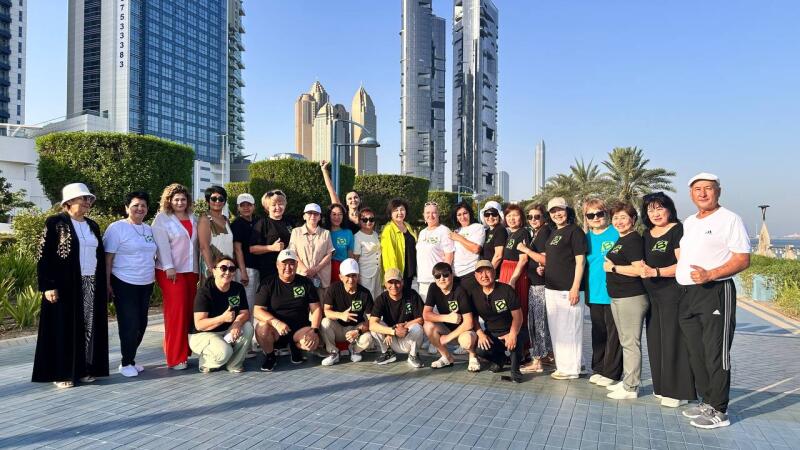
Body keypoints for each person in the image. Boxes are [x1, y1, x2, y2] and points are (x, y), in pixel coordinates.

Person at [676, 173, 750, 429]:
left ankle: (720, 410)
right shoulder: (690, 222)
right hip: (688, 294)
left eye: (708, 188)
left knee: (716, 352)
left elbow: (742, 259)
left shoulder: (730, 219)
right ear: (691, 194)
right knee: (696, 352)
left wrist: (711, 274)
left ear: (719, 191)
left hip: (716, 291)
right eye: (698, 189)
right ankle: (707, 401)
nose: (703, 193)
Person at [33, 183, 109, 388]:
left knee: (88, 327)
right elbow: (43, 256)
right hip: (64, 285)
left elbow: (99, 256)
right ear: (68, 203)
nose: (87, 203)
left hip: (90, 281)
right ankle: (62, 372)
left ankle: (84, 368)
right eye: (82, 199)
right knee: (64, 327)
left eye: (88, 199)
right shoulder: (55, 222)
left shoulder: (92, 225)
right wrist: (47, 285)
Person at [640, 192, 696, 408]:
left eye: (659, 208)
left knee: (674, 341)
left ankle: (680, 391)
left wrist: (656, 272)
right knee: (655, 340)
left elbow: (683, 263)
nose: (655, 213)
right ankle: (662, 386)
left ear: (669, 209)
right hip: (652, 297)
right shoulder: (646, 233)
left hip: (673, 294)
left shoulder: (677, 230)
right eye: (650, 209)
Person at [104, 191, 158, 378]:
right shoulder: (117, 228)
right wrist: (107, 283)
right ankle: (125, 362)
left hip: (146, 282)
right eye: (135, 205)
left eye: (143, 205)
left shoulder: (148, 229)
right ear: (127, 208)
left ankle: (131, 359)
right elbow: (108, 258)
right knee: (129, 324)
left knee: (142, 324)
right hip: (124, 282)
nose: (140, 209)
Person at [602, 201, 649, 400]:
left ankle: (631, 387)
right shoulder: (622, 239)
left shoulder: (632, 240)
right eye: (615, 218)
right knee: (625, 341)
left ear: (633, 219)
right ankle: (628, 379)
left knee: (630, 342)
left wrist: (613, 269)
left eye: (623, 217)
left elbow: (640, 270)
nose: (619, 221)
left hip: (631, 297)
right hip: (619, 296)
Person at [152, 183, 199, 370]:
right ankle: (174, 357)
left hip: (190, 271)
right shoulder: (162, 219)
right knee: (176, 313)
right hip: (170, 272)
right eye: (176, 199)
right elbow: (162, 245)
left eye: (183, 199)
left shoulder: (193, 218)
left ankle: (184, 352)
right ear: (169, 201)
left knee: (187, 312)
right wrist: (169, 267)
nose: (180, 202)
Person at [253, 249, 323, 372]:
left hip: (299, 328)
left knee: (313, 342)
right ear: (277, 265)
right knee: (261, 328)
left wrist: (314, 330)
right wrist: (275, 322)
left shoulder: (305, 282)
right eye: (284, 263)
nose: (288, 267)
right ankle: (270, 356)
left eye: (291, 263)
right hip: (276, 330)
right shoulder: (268, 283)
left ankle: (295, 347)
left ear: (296, 265)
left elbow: (316, 308)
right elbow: (257, 311)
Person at [542, 197, 587, 380]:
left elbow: (580, 261)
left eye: (560, 210)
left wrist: (575, 287)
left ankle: (571, 369)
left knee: (570, 329)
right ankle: (577, 364)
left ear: (567, 211)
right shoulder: (554, 232)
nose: (557, 214)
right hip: (552, 288)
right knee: (558, 330)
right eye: (553, 211)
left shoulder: (575, 232)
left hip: (568, 289)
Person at [189, 255, 254, 373]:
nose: (227, 272)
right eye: (223, 268)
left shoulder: (238, 288)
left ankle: (234, 364)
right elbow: (199, 325)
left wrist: (237, 324)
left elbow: (245, 313)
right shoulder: (205, 292)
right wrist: (223, 318)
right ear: (214, 271)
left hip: (225, 331)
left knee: (248, 327)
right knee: (225, 352)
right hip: (203, 334)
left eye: (232, 269)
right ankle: (206, 362)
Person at [582, 198, 622, 387]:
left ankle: (612, 372)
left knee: (614, 334)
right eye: (591, 215)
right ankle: (598, 368)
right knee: (598, 332)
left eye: (600, 213)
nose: (596, 218)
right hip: (594, 291)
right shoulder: (586, 238)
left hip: (615, 292)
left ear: (607, 214)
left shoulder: (617, 233)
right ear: (587, 219)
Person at [469, 260, 525, 383]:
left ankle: (515, 370)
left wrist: (512, 334)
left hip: (511, 329)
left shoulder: (506, 290)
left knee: (517, 341)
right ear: (475, 276)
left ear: (494, 273)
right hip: (492, 333)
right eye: (480, 272)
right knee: (480, 349)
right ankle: (500, 360)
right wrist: (480, 334)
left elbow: (518, 316)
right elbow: (473, 318)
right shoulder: (474, 294)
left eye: (487, 271)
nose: (484, 276)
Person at [515, 203, 553, 373]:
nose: (533, 220)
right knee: (539, 323)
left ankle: (538, 361)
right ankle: (545, 356)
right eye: (530, 217)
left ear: (544, 217)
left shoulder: (544, 232)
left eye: (537, 216)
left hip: (540, 287)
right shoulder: (537, 233)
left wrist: (524, 249)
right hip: (536, 284)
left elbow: (544, 259)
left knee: (538, 324)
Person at [422, 262, 479, 371]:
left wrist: (448, 338)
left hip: (464, 331)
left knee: (467, 340)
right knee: (428, 325)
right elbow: (426, 314)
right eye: (437, 276)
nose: (442, 279)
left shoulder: (460, 290)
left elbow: (469, 322)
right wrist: (446, 318)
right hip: (446, 329)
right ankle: (447, 357)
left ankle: (473, 356)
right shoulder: (433, 287)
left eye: (445, 275)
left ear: (452, 275)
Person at [320, 258, 374, 365]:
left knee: (368, 338)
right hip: (338, 329)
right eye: (347, 276)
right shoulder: (333, 288)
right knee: (325, 323)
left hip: (355, 329)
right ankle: (333, 353)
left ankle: (354, 350)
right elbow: (326, 311)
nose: (351, 279)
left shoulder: (365, 293)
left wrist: (358, 331)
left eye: (354, 275)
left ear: (358, 276)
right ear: (341, 277)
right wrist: (341, 315)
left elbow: (371, 319)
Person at [369, 268, 424, 368]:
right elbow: (372, 324)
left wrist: (403, 325)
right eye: (390, 282)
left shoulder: (412, 294)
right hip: (390, 339)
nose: (394, 286)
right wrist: (392, 331)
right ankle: (387, 353)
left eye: (397, 282)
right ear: (385, 284)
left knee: (418, 328)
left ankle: (413, 355)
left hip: (407, 337)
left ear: (402, 282)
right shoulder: (381, 298)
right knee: (376, 326)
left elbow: (421, 319)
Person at [498, 205, 530, 345]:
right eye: (509, 216)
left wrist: (513, 279)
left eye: (515, 215)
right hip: (506, 270)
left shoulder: (523, 233)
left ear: (521, 218)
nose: (511, 219)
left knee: (518, 308)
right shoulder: (511, 233)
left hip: (515, 273)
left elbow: (523, 259)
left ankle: (521, 349)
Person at [289, 203, 334, 296]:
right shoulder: (296, 232)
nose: (313, 216)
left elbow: (329, 254)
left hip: (320, 277)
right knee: (300, 305)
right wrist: (305, 270)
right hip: (300, 275)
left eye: (316, 214)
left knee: (320, 305)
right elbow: (293, 253)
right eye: (309, 213)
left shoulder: (326, 233)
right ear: (304, 216)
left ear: (320, 217)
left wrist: (315, 269)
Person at [250, 190, 292, 284]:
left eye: (280, 204)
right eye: (273, 205)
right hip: (269, 272)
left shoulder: (289, 222)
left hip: (288, 270)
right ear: (267, 207)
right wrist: (271, 248)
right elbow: (252, 249)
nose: (277, 207)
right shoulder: (261, 223)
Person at [416, 201, 455, 300]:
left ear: (438, 214)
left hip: (438, 279)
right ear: (423, 215)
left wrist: (443, 277)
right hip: (422, 279)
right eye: (427, 213)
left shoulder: (444, 231)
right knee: (426, 311)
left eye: (434, 212)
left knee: (438, 312)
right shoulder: (422, 233)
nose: (430, 215)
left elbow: (449, 256)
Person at [198, 185, 233, 283]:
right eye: (213, 199)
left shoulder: (226, 220)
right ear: (208, 201)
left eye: (221, 199)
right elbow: (204, 247)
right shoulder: (205, 219)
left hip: (228, 268)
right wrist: (212, 270)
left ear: (224, 201)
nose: (217, 201)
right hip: (213, 269)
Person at [380, 198, 417, 288]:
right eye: (396, 210)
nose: (400, 213)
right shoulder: (388, 229)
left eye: (402, 209)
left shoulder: (407, 226)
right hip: (399, 273)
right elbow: (389, 255)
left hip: (409, 271)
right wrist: (394, 276)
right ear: (391, 213)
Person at [231, 193, 260, 306]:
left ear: (254, 206)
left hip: (257, 268)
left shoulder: (258, 222)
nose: (246, 208)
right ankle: (246, 324)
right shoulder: (237, 224)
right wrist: (243, 272)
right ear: (238, 207)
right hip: (246, 269)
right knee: (247, 303)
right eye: (242, 205)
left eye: (249, 205)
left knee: (255, 302)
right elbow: (237, 249)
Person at [320, 160, 362, 233]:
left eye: (355, 197)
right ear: (346, 202)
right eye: (350, 198)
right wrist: (324, 170)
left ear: (359, 199)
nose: (353, 200)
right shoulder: (343, 214)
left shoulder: (365, 216)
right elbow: (331, 191)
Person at [449, 201, 484, 285]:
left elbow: (476, 249)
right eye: (459, 215)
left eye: (465, 213)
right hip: (455, 275)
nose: (463, 217)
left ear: (470, 214)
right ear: (456, 218)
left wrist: (459, 238)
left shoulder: (478, 227)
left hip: (470, 273)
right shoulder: (456, 230)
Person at [353, 207, 382, 299]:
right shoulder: (357, 237)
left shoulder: (375, 234)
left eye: (371, 219)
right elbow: (355, 259)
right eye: (365, 220)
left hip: (378, 273)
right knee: (367, 298)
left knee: (378, 297)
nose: (368, 222)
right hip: (365, 274)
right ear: (359, 221)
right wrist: (356, 277)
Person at [327, 203, 355, 283]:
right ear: (329, 216)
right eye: (334, 214)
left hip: (343, 269)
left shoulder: (348, 233)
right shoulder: (324, 232)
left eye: (340, 214)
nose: (337, 217)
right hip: (326, 269)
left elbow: (350, 254)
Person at [479, 201, 507, 273]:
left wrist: (488, 273)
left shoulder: (500, 230)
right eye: (487, 214)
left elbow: (498, 256)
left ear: (500, 215)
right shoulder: (486, 231)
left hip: (494, 274)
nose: (490, 217)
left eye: (494, 214)